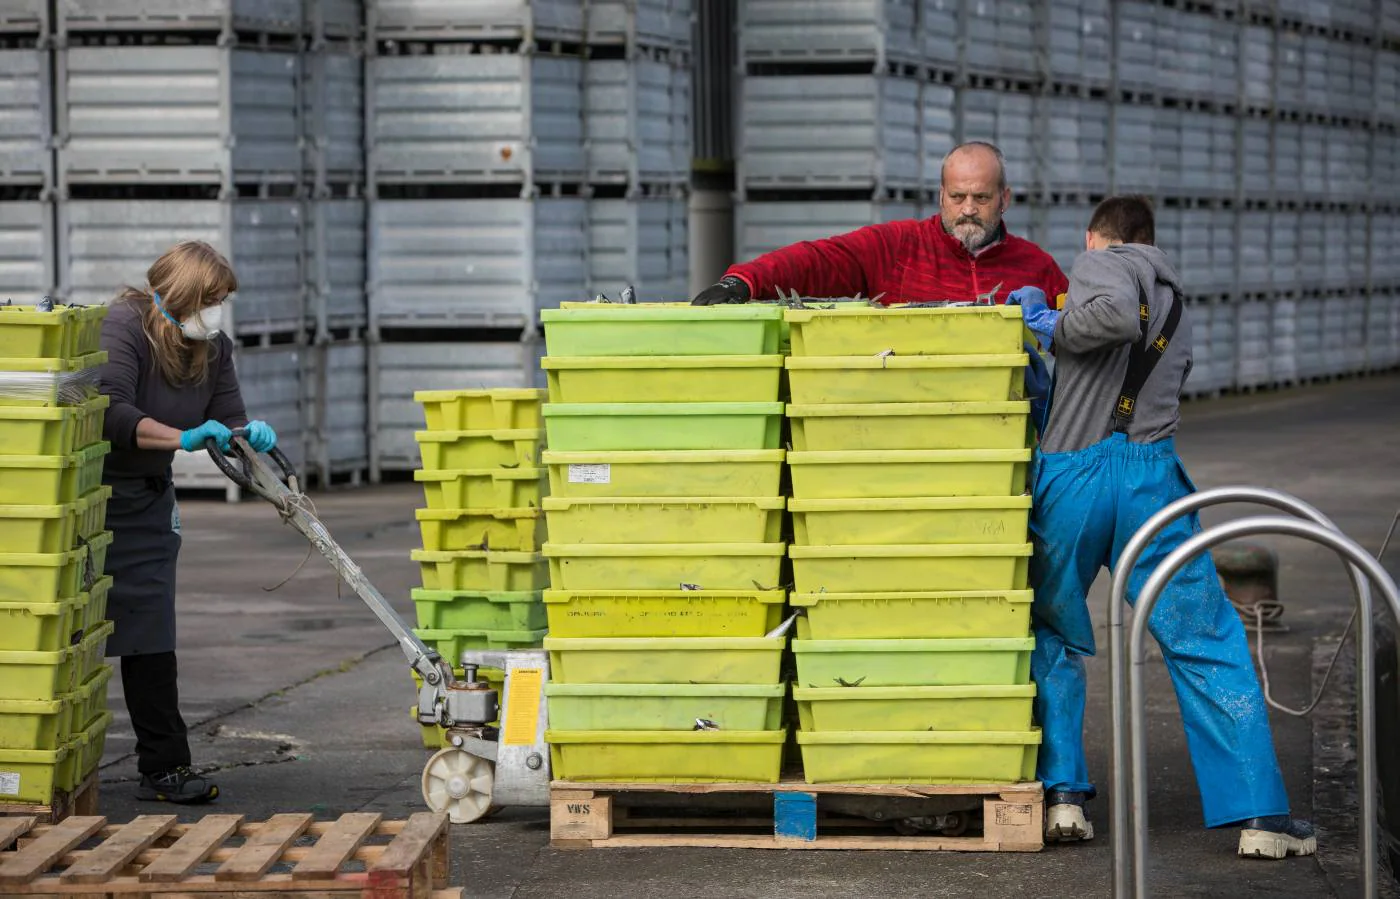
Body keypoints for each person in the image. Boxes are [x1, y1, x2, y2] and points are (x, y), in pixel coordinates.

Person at [1008, 196, 1315, 859]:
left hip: (1073, 480)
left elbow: (1111, 315)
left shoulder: (1104, 263)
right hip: (1150, 482)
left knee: (1052, 628)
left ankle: (1062, 795)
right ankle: (1261, 812)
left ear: (1098, 237)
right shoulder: (1177, 301)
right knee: (1203, 638)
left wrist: (1051, 323)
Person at [97, 240, 279, 804]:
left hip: (148, 499)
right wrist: (183, 438)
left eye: (222, 300)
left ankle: (164, 766)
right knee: (68, 633)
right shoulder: (124, 325)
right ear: (177, 295)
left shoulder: (212, 348)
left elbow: (229, 419)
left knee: (150, 632)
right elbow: (111, 412)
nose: (217, 311)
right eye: (210, 299)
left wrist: (251, 438)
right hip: (90, 496)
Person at [691, 141, 1068, 306]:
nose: (968, 208)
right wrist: (743, 281)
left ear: (1005, 199)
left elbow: (1083, 333)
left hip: (1007, 439)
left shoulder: (1036, 267)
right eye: (957, 197)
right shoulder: (897, 248)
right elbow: (818, 260)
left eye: (982, 198)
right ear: (940, 196)